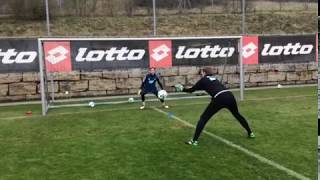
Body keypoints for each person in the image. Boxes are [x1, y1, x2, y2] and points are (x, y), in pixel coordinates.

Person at [175, 67, 255, 146]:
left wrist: (182, 89)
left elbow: (191, 90)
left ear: (204, 73)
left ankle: (194, 141)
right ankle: (250, 133)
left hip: (219, 97)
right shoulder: (215, 79)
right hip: (229, 95)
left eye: (202, 72)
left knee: (203, 118)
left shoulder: (203, 80)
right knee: (237, 114)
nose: (201, 74)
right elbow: (216, 88)